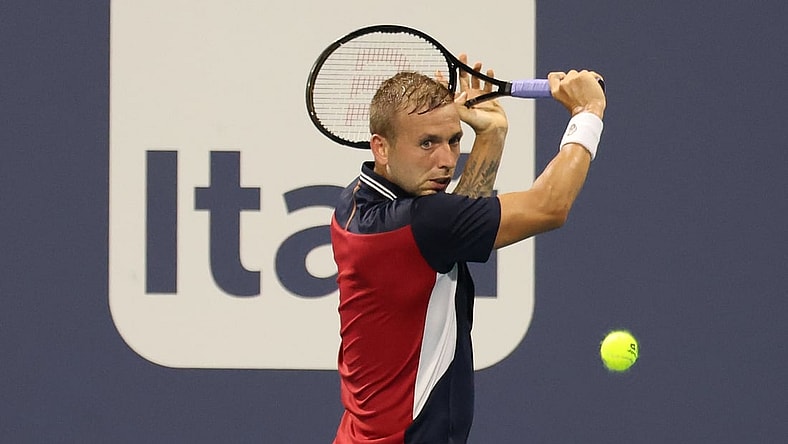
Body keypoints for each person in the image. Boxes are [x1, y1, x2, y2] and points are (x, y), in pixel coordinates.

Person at [330, 53, 606, 444]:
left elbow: (450, 234)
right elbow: (550, 206)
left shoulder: (354, 202)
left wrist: (490, 137)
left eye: (454, 140)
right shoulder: (420, 224)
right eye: (427, 143)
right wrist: (588, 111)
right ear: (382, 148)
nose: (446, 161)